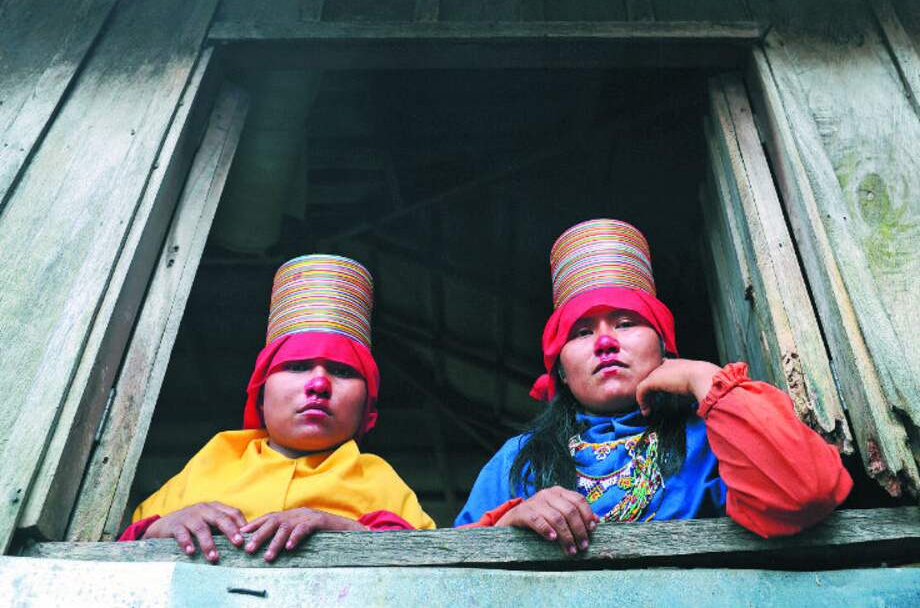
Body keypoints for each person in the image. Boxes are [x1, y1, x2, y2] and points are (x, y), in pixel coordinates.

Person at [454, 219, 852, 555]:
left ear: (663, 344)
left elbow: (804, 492)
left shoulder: (711, 441)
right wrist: (509, 522)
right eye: (582, 331)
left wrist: (703, 378)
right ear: (559, 368)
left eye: (626, 324)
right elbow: (445, 576)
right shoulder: (517, 461)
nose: (605, 342)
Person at [120, 255, 435, 562]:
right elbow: (118, 556)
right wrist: (162, 528)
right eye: (297, 366)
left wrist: (343, 529)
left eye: (341, 371)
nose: (319, 384)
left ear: (367, 407)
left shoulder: (379, 479)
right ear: (260, 394)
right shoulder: (213, 459)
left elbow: (431, 569)